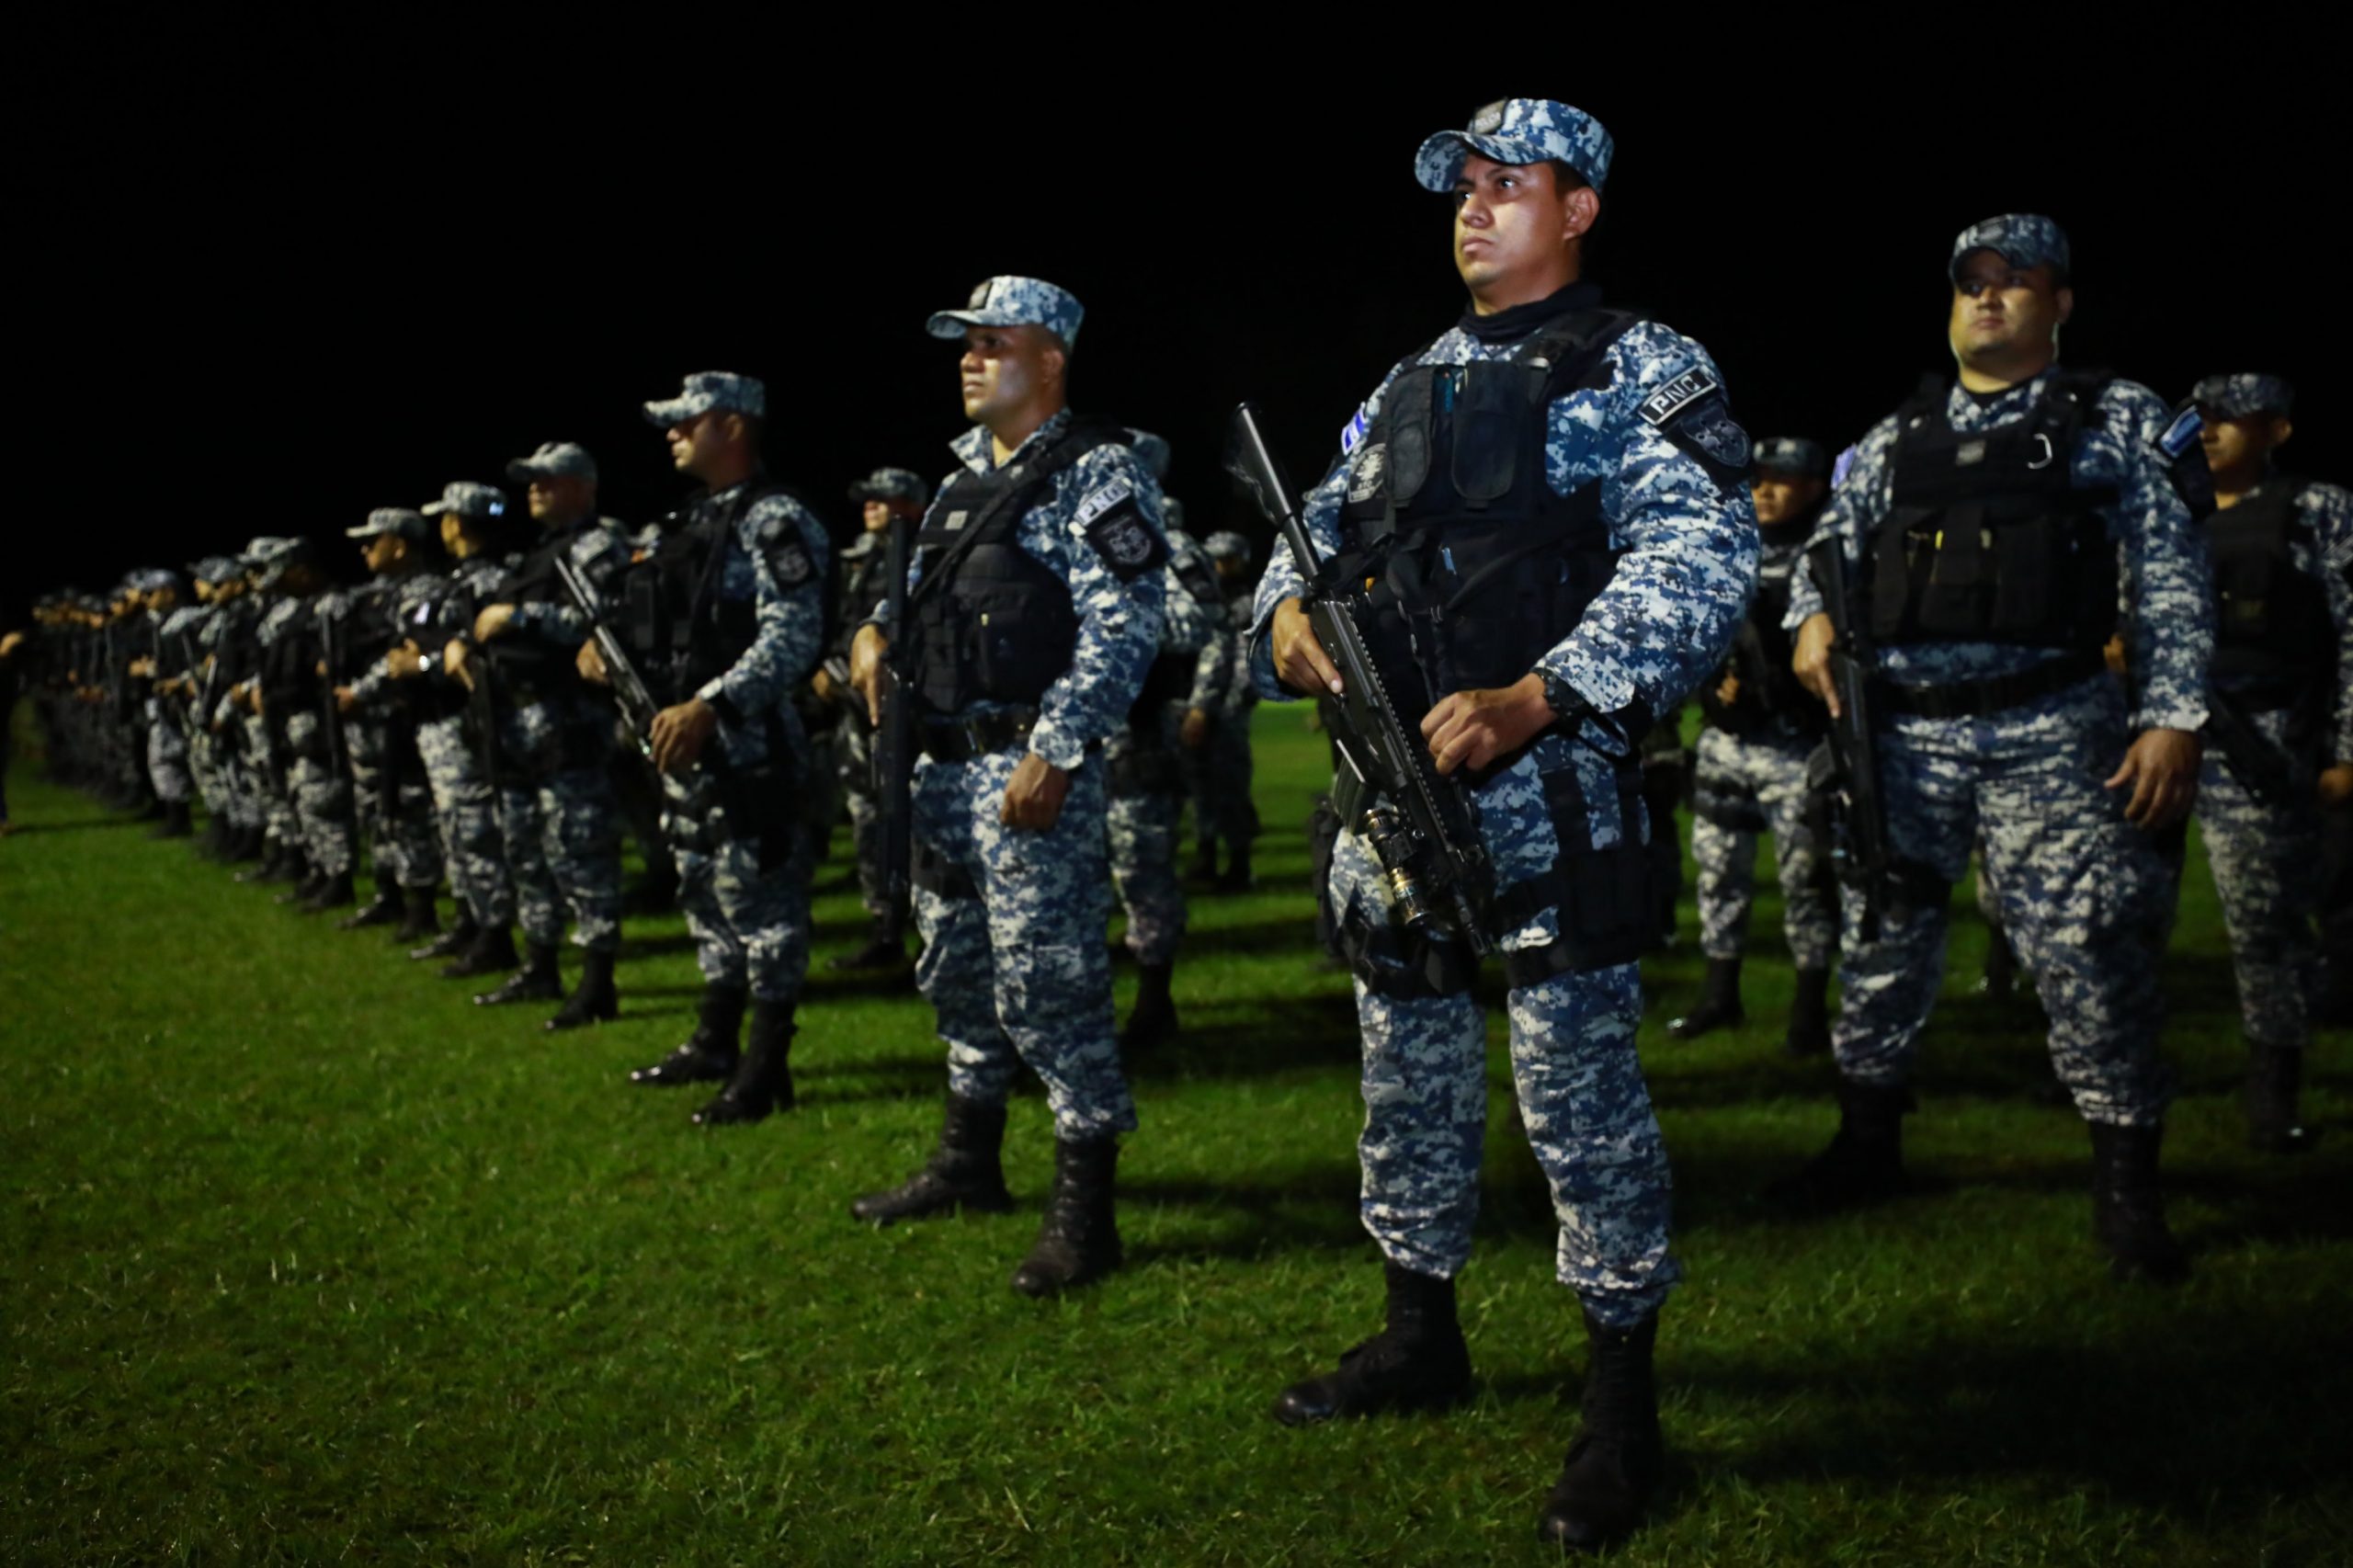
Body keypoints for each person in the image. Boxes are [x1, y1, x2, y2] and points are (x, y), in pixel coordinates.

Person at [1252, 100, 1756, 1550]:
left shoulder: (1645, 363)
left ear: (1580, 207)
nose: (1474, 210)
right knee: (1404, 1076)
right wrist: (1282, 617)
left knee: (1577, 1102)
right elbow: (1316, 547)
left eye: (1507, 186)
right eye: (1462, 190)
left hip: (1549, 791)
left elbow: (1705, 551)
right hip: (1389, 795)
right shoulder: (1406, 381)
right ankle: (1422, 1331)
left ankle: (1620, 1400)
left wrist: (1547, 691)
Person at [1779, 215, 2212, 1285]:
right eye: (1971, 281)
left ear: (2059, 304)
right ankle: (1866, 1142)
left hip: (2050, 727)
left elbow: (2169, 572)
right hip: (1907, 734)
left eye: (2016, 283)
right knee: (1882, 937)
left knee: (2088, 945)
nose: (1989, 297)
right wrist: (1808, 621)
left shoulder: (2116, 419)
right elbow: (1823, 552)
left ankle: (2125, 1185)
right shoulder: (1893, 437)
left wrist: (2174, 715)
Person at [847, 276, 1167, 1298]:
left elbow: (1128, 620)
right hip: (943, 767)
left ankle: (1085, 1207)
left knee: (1051, 981)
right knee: (956, 965)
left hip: (1028, 770)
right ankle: (968, 1156)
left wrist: (1060, 747)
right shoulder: (952, 486)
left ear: (1053, 358)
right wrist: (867, 635)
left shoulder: (1094, 471)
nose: (970, 358)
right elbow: (914, 607)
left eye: (995, 342)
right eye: (965, 343)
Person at [601, 376, 831, 1126]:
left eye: (685, 422)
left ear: (732, 427)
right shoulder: (690, 523)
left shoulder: (776, 519)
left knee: (764, 905)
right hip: (685, 744)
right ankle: (715, 1040)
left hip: (748, 743)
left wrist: (712, 704)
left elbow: (795, 634)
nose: (670, 434)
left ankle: (766, 1069)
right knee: (705, 889)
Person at [2186, 372, 2350, 1151]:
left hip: (2264, 737)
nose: (2210, 431)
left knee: (2266, 926)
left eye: (2231, 419)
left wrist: (2346, 749)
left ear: (2276, 430)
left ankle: (2273, 1090)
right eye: (2203, 419)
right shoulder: (2167, 512)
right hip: (2158, 738)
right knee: (2121, 913)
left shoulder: (2316, 510)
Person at [1672, 437, 1839, 1051]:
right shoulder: (1726, 550)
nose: (1764, 489)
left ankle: (1808, 1009)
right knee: (1718, 872)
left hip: (1798, 748)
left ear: (1816, 486)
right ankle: (1720, 996)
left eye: (1783, 479)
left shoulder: (1829, 558)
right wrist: (1715, 687)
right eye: (1758, 478)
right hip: (1726, 741)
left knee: (1806, 881)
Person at [455, 446, 631, 1030]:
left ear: (583, 486)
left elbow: (606, 622)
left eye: (546, 481)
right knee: (526, 849)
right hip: (516, 725)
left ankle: (599, 979)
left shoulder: (599, 547)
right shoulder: (537, 554)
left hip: (569, 722)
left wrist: (518, 619)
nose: (534, 490)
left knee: (579, 851)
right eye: (530, 482)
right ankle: (540, 963)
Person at [1105, 439, 1230, 1049]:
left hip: (1142, 732)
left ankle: (1155, 1002)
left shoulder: (1172, 548)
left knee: (1142, 869)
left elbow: (1205, 625)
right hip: (1079, 740)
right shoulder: (1081, 542)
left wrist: (1117, 623)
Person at [393, 483, 521, 975]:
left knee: (475, 829)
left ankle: (495, 933)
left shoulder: (491, 582)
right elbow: (427, 635)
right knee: (455, 829)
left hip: (469, 724)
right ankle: (472, 920)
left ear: (457, 523)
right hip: (442, 721)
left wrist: (422, 661)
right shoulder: (456, 582)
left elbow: (463, 654)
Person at [824, 466, 930, 972]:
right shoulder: (861, 561)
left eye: (881, 498)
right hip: (854, 716)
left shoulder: (920, 557)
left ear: (910, 505)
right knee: (867, 822)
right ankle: (884, 929)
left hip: (904, 718)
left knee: (911, 825)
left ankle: (927, 933)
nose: (869, 506)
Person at [334, 508, 449, 941]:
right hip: (374, 720)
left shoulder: (423, 591)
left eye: (373, 540)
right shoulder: (373, 596)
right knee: (381, 810)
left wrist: (359, 692)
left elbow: (403, 655)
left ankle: (421, 906)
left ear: (399, 545)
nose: (364, 549)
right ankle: (390, 893)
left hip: (401, 716)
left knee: (409, 809)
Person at [1186, 530, 1261, 889]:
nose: (1219, 567)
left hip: (1227, 712)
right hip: (1201, 707)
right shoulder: (1209, 601)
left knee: (1231, 786)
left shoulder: (1247, 604)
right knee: (1202, 787)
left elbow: (1245, 664)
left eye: (1226, 559)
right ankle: (1205, 854)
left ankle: (1239, 863)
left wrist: (1227, 706)